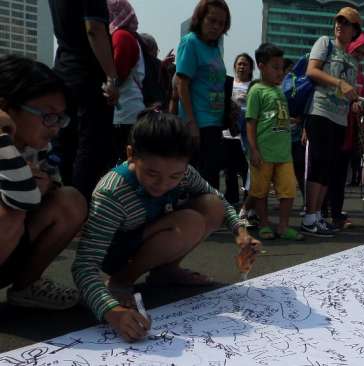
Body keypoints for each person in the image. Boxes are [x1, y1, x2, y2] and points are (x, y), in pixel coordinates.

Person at [72, 109, 260, 342]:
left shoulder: (184, 174)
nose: (163, 184)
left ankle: (166, 271)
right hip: (117, 253)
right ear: (131, 154)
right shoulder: (112, 193)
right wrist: (113, 312)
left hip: (153, 233)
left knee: (212, 206)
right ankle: (122, 281)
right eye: (152, 173)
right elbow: (84, 266)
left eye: (175, 176)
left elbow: (218, 198)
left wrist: (240, 232)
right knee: (189, 221)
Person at [0, 55, 86, 310]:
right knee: (8, 215)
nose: (56, 127)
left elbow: (42, 194)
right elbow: (21, 200)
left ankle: (27, 285)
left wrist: (47, 186)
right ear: (6, 107)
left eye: (60, 118)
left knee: (70, 200)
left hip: (11, 251)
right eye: (48, 116)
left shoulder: (38, 149)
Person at [48, 0, 120, 198]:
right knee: (92, 147)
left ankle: (65, 202)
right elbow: (94, 29)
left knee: (65, 144)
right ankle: (81, 208)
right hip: (89, 77)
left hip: (64, 71)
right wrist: (112, 78)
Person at [302, 7, 362, 237]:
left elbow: (347, 90)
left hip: (340, 117)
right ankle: (309, 216)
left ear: (355, 31)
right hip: (320, 111)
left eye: (346, 23)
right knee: (316, 163)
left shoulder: (353, 59)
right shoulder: (324, 43)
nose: (340, 25)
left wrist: (353, 99)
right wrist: (339, 84)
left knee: (328, 167)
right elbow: (312, 71)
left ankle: (317, 215)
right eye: (339, 21)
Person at [246, 43, 304, 241]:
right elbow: (251, 122)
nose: (280, 72)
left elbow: (274, 117)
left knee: (288, 190)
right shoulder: (256, 91)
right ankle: (263, 224)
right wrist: (253, 149)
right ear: (261, 66)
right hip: (263, 152)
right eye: (275, 67)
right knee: (260, 191)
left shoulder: (280, 92)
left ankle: (283, 226)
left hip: (283, 153)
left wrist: (289, 121)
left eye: (282, 68)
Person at [176, 0, 231, 190]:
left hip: (214, 123)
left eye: (221, 23)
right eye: (212, 20)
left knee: (210, 182)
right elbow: (181, 84)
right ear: (200, 19)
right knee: (198, 182)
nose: (216, 27)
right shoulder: (191, 42)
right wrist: (191, 123)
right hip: (198, 123)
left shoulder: (215, 48)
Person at [325, 31, 364, 230]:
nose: (359, 56)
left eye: (362, 53)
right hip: (332, 122)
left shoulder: (359, 74)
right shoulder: (338, 68)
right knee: (325, 170)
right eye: (357, 51)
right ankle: (320, 212)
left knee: (340, 173)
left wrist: (360, 108)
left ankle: (335, 212)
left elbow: (356, 101)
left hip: (349, 129)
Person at [107, 0, 146, 163]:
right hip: (130, 109)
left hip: (124, 112)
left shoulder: (121, 36)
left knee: (125, 161)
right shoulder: (129, 36)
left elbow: (118, 72)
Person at [221, 53, 253, 205]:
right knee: (229, 167)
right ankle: (231, 198)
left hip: (248, 129)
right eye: (239, 64)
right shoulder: (228, 83)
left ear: (250, 68)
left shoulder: (254, 86)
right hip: (229, 129)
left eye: (245, 64)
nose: (242, 66)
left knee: (247, 167)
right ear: (234, 67)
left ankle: (249, 198)